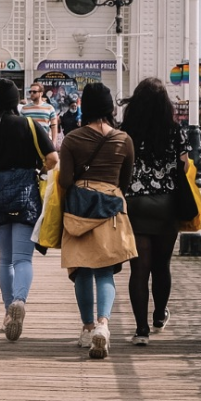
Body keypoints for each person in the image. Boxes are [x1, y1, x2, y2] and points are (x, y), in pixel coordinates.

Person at [0, 79, 58, 342]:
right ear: (15, 98)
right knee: (23, 260)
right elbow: (53, 159)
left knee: (5, 260)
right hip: (26, 195)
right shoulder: (29, 124)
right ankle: (20, 300)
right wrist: (38, 172)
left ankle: (9, 310)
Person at [58, 83, 136, 360]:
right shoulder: (123, 139)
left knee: (81, 269)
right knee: (104, 271)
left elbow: (65, 180)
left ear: (85, 107)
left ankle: (87, 327)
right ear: (110, 108)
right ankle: (103, 324)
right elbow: (125, 180)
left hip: (79, 208)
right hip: (112, 207)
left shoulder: (72, 138)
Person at [120, 77, 189, 345]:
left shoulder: (126, 130)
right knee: (162, 265)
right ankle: (159, 314)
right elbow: (182, 166)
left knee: (139, 269)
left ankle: (141, 331)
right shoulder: (174, 131)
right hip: (166, 204)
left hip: (135, 203)